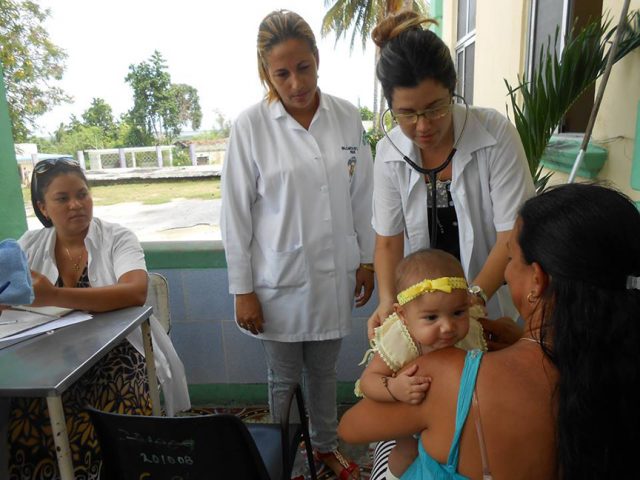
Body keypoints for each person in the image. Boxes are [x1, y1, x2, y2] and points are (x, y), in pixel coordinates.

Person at [339, 182, 640, 479]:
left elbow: (351, 427)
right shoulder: (618, 370)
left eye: (510, 259)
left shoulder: (446, 375)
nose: (506, 272)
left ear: (537, 280)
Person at [220, 10, 375, 479]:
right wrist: (242, 289)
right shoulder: (250, 126)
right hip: (275, 282)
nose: (295, 82)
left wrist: (366, 258)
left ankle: (325, 447)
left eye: (303, 67)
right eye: (281, 73)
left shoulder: (347, 118)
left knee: (326, 372)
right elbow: (235, 213)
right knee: (283, 378)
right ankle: (284, 456)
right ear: (266, 73)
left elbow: (363, 194)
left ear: (317, 60)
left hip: (334, 273)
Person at [6, 157, 190, 480]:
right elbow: (10, 296)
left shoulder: (117, 238)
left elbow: (134, 292)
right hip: (51, 361)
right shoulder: (29, 246)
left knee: (103, 422)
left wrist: (55, 296)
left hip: (120, 356)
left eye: (83, 194)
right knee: (26, 419)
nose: (76, 205)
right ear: (43, 208)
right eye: (62, 199)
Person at [367, 11, 535, 338]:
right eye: (407, 113)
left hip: (489, 304)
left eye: (435, 108)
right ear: (390, 105)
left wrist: (471, 301)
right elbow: (388, 242)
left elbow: (511, 235)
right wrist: (388, 301)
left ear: (453, 88)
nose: (424, 125)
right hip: (423, 317)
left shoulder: (495, 135)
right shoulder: (390, 154)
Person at [356, 249, 486, 480]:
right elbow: (369, 381)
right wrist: (394, 388)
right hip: (409, 409)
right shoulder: (402, 339)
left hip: (449, 412)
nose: (447, 327)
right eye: (431, 318)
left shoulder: (470, 332)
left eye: (457, 312)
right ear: (403, 315)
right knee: (407, 450)